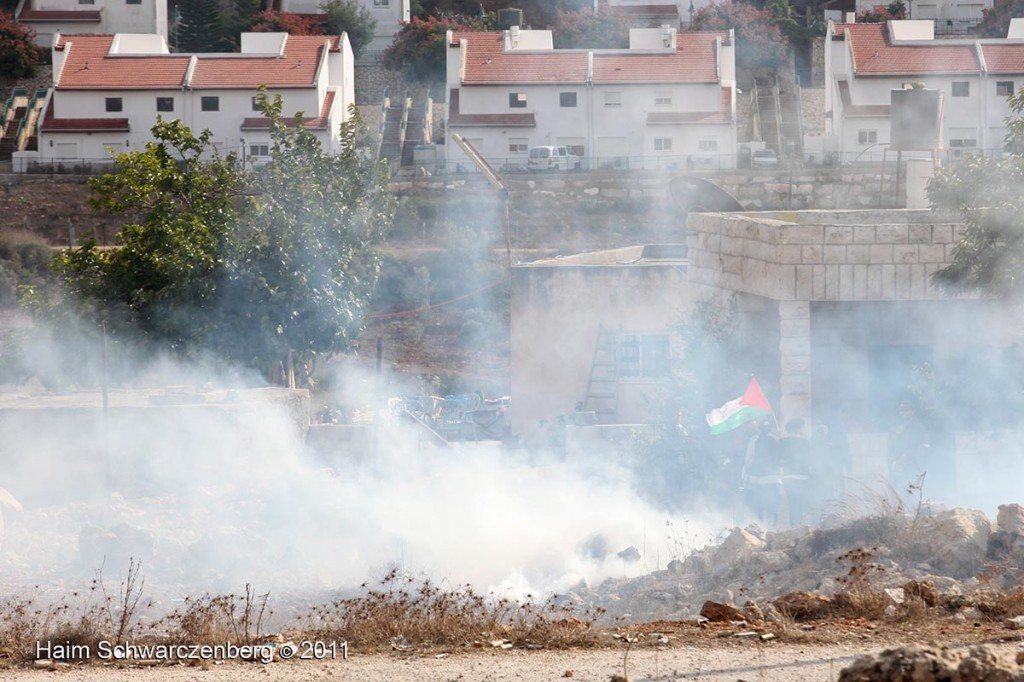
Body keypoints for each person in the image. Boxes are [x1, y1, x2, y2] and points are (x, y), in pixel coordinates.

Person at [741, 420, 783, 529]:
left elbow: (748, 460)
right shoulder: (778, 439)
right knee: (772, 508)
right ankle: (771, 531)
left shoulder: (754, 440)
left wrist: (745, 476)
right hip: (774, 480)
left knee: (758, 508)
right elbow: (782, 459)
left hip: (758, 480)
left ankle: (760, 532)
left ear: (759, 429)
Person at [889, 399, 930, 495]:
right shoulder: (898, 427)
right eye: (901, 410)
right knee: (900, 492)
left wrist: (907, 455)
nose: (903, 412)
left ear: (912, 412)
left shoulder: (918, 427)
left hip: (913, 465)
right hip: (900, 466)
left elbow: (922, 446)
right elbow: (894, 444)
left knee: (911, 492)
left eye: (906, 410)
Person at [778, 418, 812, 527]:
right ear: (798, 429)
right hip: (803, 477)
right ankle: (799, 526)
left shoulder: (782, 442)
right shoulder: (805, 442)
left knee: (792, 503)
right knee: (800, 503)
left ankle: (793, 527)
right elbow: (810, 459)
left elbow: (779, 460)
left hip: (788, 477)